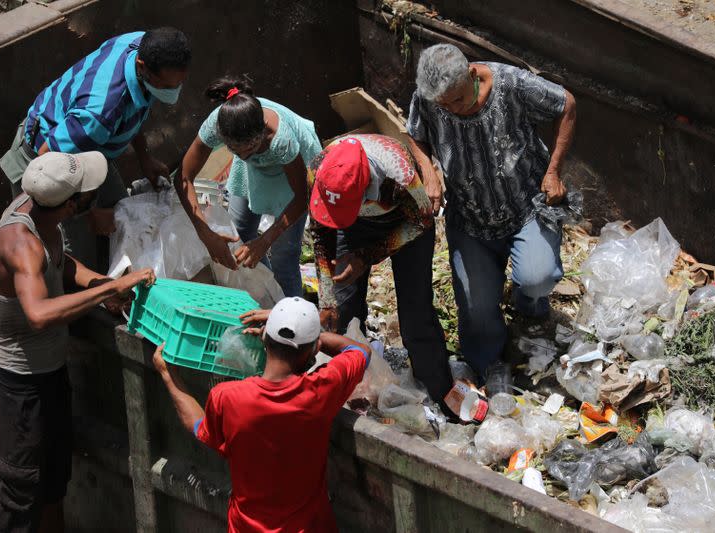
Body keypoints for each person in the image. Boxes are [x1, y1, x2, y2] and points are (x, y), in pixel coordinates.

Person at [0, 151, 156, 532]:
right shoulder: (21, 244)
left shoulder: (42, 209)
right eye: (85, 194)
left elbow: (61, 263)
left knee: (52, 487)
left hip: (51, 376)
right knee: (18, 495)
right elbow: (40, 313)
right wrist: (108, 290)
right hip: (20, 389)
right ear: (70, 205)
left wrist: (102, 284)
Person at [406, 43, 577, 388]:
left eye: (457, 100)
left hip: (525, 207)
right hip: (470, 219)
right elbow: (415, 133)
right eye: (444, 105)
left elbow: (567, 105)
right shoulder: (430, 97)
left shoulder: (512, 84)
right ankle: (488, 360)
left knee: (538, 276)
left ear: (471, 74)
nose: (452, 110)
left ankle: (528, 303)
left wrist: (554, 170)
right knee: (477, 309)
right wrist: (427, 168)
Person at [154, 297, 369, 532]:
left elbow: (198, 426)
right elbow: (360, 350)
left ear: (265, 336)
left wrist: (167, 375)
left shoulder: (227, 397)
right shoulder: (321, 390)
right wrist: (315, 338)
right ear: (314, 349)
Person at [0, 27, 191, 271]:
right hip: (50, 166)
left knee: (126, 220)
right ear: (141, 67)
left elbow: (135, 107)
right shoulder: (99, 114)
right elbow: (47, 163)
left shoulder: (142, 44)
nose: (172, 91)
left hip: (89, 151)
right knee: (73, 262)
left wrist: (145, 158)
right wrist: (88, 215)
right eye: (164, 86)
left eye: (179, 83)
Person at [308, 135, 453, 411]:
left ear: (367, 187)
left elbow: (421, 222)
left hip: (406, 223)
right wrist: (326, 297)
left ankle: (438, 397)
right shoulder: (318, 170)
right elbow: (320, 230)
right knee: (341, 310)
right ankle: (352, 393)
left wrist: (365, 257)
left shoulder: (400, 176)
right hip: (353, 225)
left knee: (415, 315)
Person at [176, 76, 322, 296]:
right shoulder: (218, 125)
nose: (243, 155)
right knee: (241, 233)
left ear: (263, 132)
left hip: (293, 168)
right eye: (235, 150)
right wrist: (206, 234)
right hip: (256, 166)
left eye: (249, 148)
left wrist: (265, 240)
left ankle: (292, 317)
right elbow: (184, 177)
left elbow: (301, 197)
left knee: (284, 256)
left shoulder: (281, 139)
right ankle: (266, 295)